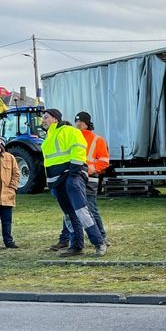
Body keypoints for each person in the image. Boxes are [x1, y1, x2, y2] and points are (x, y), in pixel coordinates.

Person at [40, 108, 107, 257]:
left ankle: (99, 242)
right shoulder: (47, 138)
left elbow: (78, 149)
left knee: (81, 210)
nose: (43, 120)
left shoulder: (69, 131)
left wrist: (74, 172)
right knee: (69, 214)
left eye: (46, 117)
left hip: (72, 176)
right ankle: (76, 245)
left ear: (55, 119)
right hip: (58, 180)